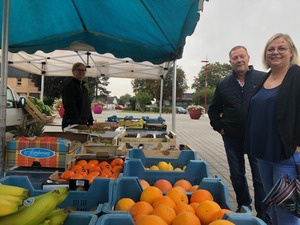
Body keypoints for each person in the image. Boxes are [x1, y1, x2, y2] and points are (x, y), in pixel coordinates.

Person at [244, 33, 300, 225]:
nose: (275, 52)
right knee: (272, 209)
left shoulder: (297, 76)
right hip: (264, 155)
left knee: (287, 213)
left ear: (291, 52)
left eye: (281, 48)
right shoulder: (265, 78)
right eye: (271, 49)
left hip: (286, 156)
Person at [208, 46, 267, 220]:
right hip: (232, 137)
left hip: (257, 138)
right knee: (236, 173)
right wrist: (220, 127)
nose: (239, 60)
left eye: (242, 56)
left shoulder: (263, 78)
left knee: (259, 176)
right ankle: (244, 206)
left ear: (248, 58)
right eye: (235, 58)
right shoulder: (223, 84)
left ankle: (263, 213)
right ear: (230, 62)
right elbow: (213, 110)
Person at [61, 62, 94, 130]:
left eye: (83, 70)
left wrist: (90, 121)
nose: (81, 71)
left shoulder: (84, 88)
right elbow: (69, 106)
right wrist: (77, 122)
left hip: (83, 124)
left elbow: (87, 106)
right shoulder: (69, 87)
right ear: (73, 72)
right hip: (72, 124)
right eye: (79, 69)